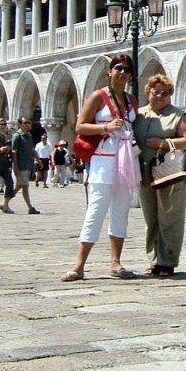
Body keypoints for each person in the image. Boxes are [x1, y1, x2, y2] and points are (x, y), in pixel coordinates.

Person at [61, 54, 140, 282]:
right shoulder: (99, 96)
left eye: (127, 69)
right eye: (118, 68)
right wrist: (105, 127)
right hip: (103, 159)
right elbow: (80, 126)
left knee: (121, 211)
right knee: (96, 210)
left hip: (126, 160)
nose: (122, 72)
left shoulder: (131, 100)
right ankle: (79, 265)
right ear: (109, 71)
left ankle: (116, 262)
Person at [134, 73, 186, 276]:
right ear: (148, 92)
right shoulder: (139, 115)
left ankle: (167, 260)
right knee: (150, 219)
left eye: (165, 93)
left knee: (170, 218)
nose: (160, 96)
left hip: (169, 175)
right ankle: (154, 260)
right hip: (144, 174)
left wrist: (163, 143)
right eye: (156, 92)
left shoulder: (177, 115)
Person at [11, 117, 40, 214]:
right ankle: (30, 207)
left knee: (21, 186)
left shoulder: (29, 136)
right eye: (25, 123)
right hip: (21, 164)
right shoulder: (17, 136)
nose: (28, 124)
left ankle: (5, 202)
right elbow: (14, 152)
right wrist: (15, 165)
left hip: (28, 164)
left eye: (29, 122)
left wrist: (38, 159)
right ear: (20, 124)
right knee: (23, 186)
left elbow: (32, 149)